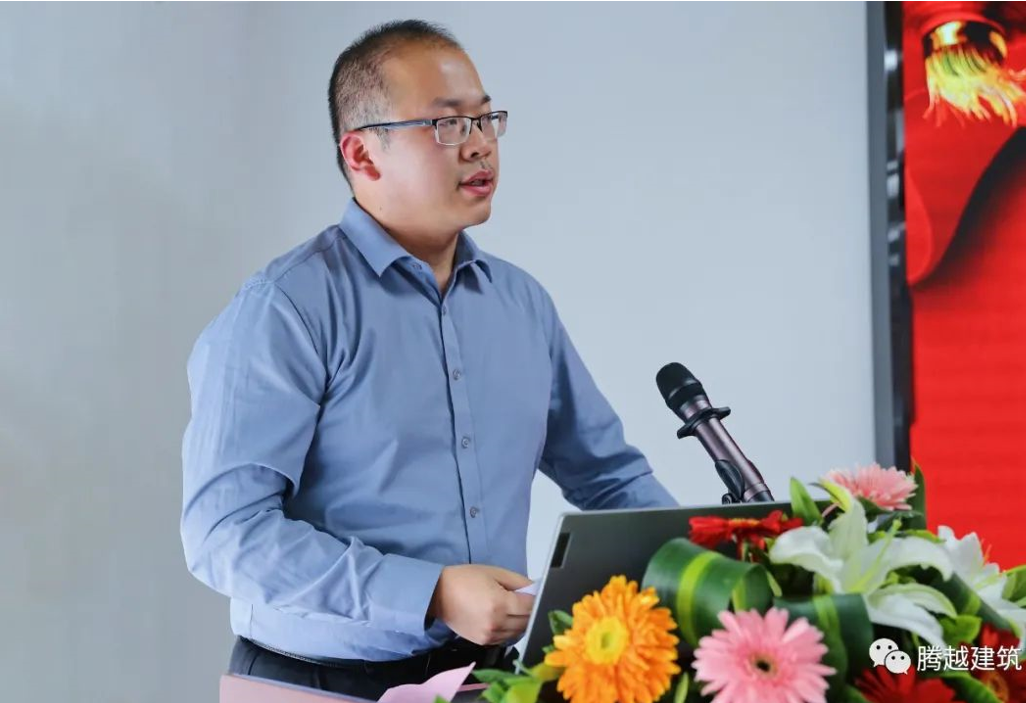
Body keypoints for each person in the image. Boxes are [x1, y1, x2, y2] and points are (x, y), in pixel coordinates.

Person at [180, 19, 677, 700]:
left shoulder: (521, 304)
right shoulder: (285, 308)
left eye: (486, 119)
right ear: (362, 154)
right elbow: (225, 534)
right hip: (318, 687)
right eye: (446, 124)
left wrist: (708, 563)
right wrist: (431, 592)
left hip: (490, 682)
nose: (479, 143)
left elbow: (610, 480)